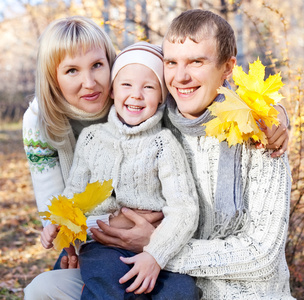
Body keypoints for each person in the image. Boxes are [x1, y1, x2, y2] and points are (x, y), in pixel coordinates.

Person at [23, 10, 291, 300]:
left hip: (205, 281)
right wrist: (75, 236)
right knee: (44, 289)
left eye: (196, 62)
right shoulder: (158, 119)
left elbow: (262, 253)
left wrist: (156, 248)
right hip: (121, 253)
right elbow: (65, 200)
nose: (181, 76)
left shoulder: (254, 133)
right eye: (172, 63)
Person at [34, 42, 200, 299]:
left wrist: (155, 254)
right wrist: (56, 224)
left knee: (181, 291)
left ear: (161, 96)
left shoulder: (164, 143)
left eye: (148, 87)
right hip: (103, 246)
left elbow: (184, 208)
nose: (136, 94)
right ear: (111, 91)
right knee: (106, 284)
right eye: (126, 85)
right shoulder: (91, 138)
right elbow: (72, 195)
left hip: (155, 243)